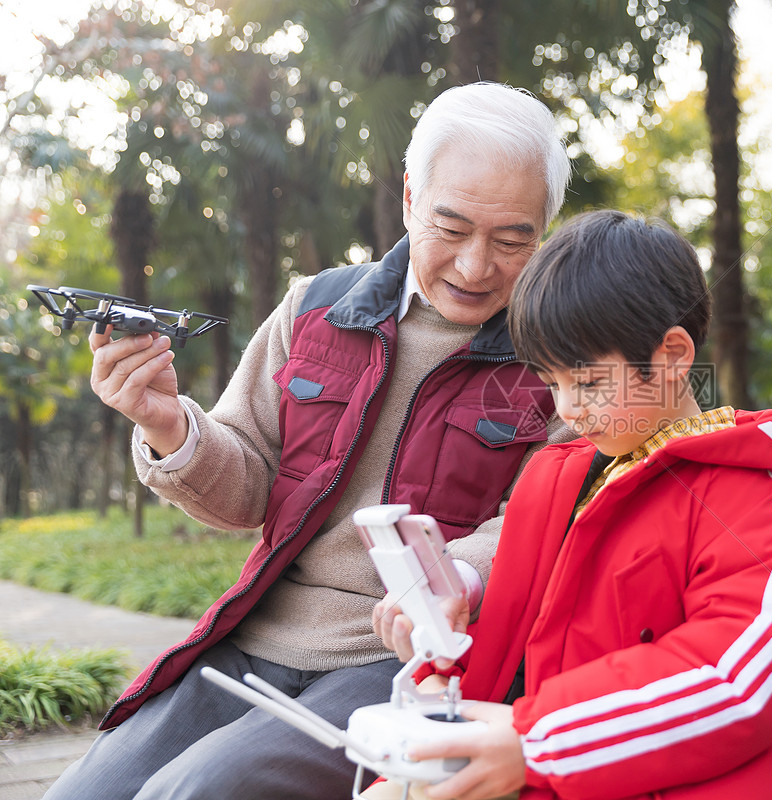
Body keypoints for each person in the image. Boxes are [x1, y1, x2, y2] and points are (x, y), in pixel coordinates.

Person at [45, 82, 573, 800]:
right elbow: (248, 488)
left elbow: (545, 514)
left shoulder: (563, 353)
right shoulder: (318, 307)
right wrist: (168, 424)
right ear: (413, 196)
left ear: (546, 226)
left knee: (199, 793)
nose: (477, 266)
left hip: (403, 662)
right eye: (452, 229)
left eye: (514, 240)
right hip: (253, 636)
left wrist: (454, 579)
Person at [371, 209, 772, 800]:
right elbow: (508, 656)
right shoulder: (555, 484)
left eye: (589, 383)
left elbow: (748, 676)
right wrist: (442, 658)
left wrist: (537, 743)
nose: (567, 409)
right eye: (552, 382)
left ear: (673, 357)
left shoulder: (755, 496)